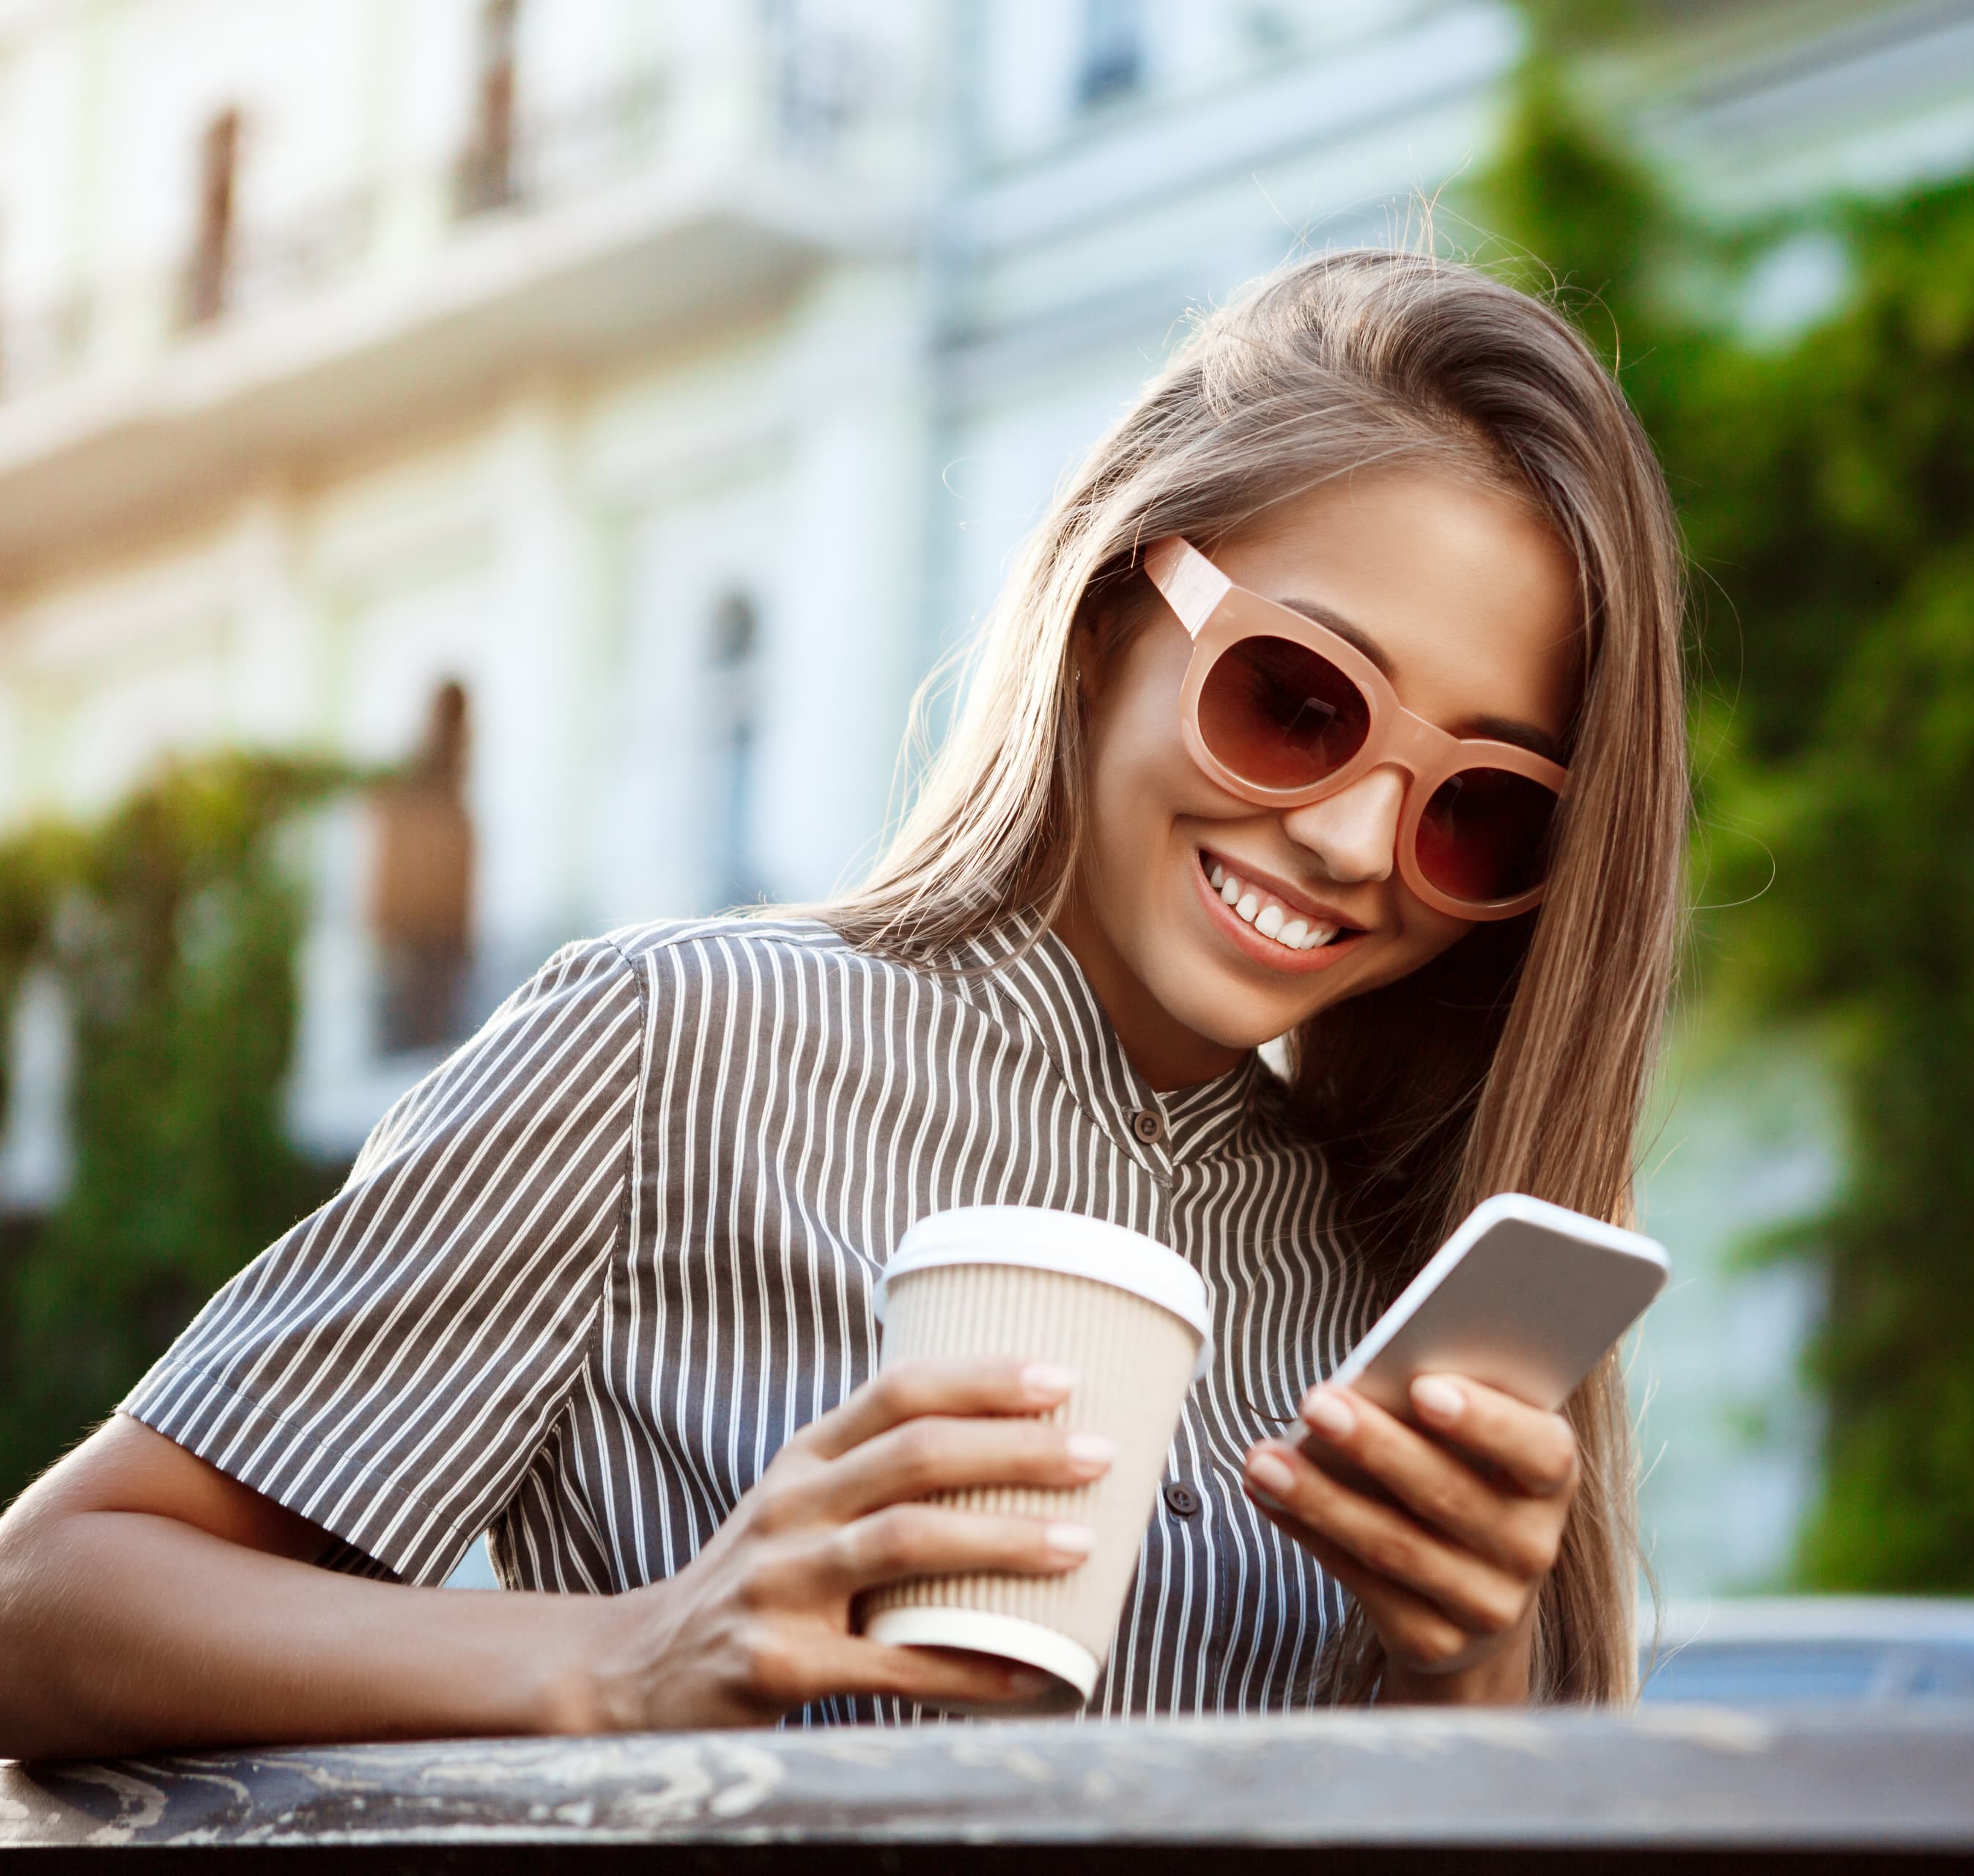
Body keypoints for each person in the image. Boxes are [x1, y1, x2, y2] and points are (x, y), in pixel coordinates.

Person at [0, 249, 1687, 1756]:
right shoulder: (677, 1047)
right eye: (1298, 698)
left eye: (1480, 809)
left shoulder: (1392, 1269)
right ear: (1109, 617)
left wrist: (1467, 1669)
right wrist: (625, 1655)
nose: (1350, 837)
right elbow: (49, 1597)